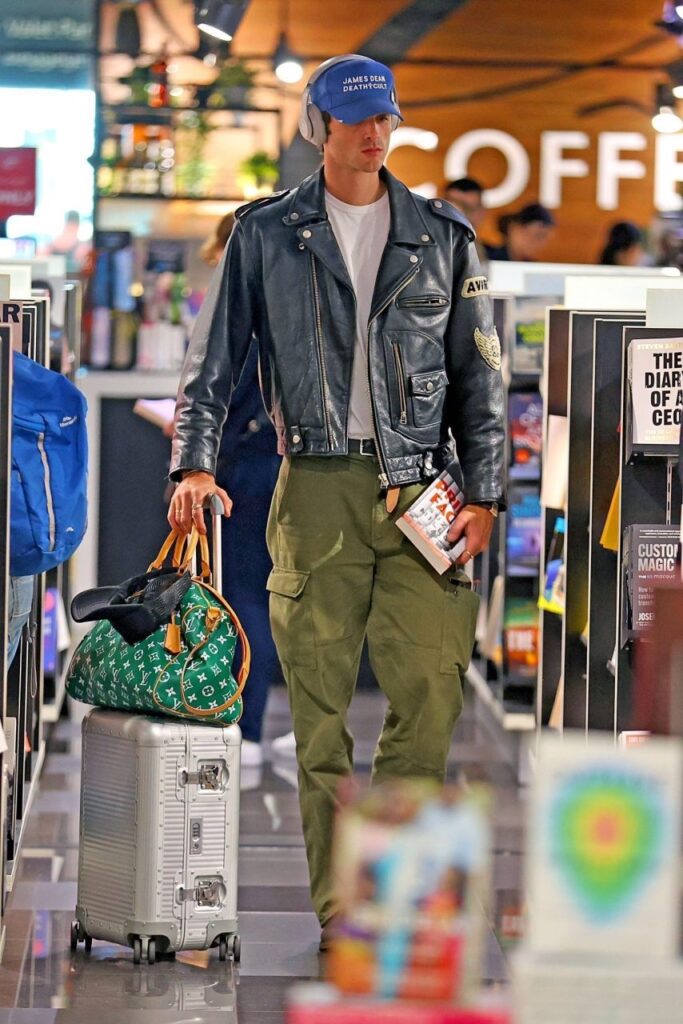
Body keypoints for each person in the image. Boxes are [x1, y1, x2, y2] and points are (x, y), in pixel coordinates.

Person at [167, 53, 505, 951]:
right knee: (316, 714)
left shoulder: (442, 234)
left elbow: (480, 377)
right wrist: (192, 467)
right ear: (317, 126)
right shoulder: (268, 232)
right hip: (312, 485)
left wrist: (486, 493)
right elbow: (210, 366)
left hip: (422, 491)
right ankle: (342, 911)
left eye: (384, 118)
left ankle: (393, 888)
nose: (373, 133)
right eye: (355, 118)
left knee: (429, 695)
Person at [199, 213, 281, 768]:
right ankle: (251, 724)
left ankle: (246, 726)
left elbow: (224, 399)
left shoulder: (245, 313)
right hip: (278, 467)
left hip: (244, 472)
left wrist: (195, 459)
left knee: (246, 597)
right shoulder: (289, 306)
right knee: (267, 597)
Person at [486, 201, 555, 262]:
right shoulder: (486, 258)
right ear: (513, 228)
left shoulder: (531, 267)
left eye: (544, 238)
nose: (538, 244)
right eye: (538, 235)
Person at [443, 178, 489, 264]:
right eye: (455, 208)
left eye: (470, 209)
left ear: (482, 212)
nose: (462, 215)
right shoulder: (424, 252)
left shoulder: (497, 256)